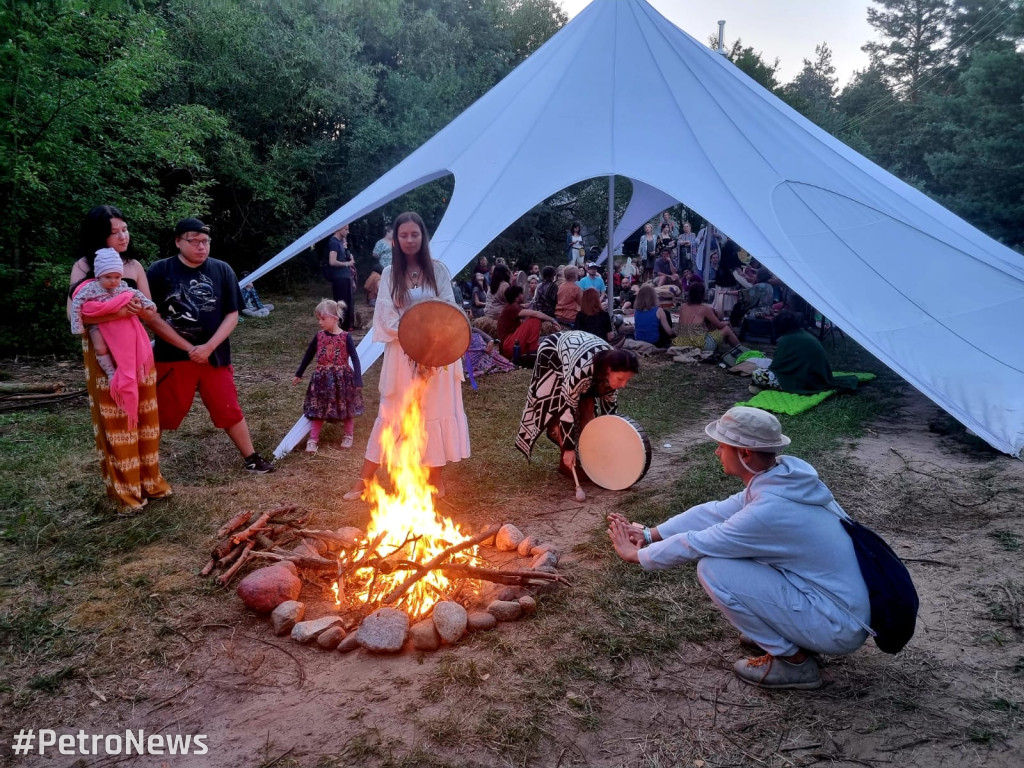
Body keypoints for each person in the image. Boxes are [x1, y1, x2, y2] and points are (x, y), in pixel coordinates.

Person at [607, 406, 871, 690]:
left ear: (744, 454)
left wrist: (638, 555)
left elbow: (700, 542)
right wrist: (650, 534)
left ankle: (794, 663)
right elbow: (714, 512)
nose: (717, 453)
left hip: (836, 624)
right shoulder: (783, 478)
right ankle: (787, 632)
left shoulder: (769, 509)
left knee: (714, 568)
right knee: (739, 562)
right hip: (838, 606)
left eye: (722, 446)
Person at [344, 211, 470, 500]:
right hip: (403, 354)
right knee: (392, 413)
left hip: (437, 354)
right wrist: (414, 339)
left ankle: (434, 478)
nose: (410, 240)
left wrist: (431, 347)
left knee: (434, 411)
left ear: (423, 237)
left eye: (415, 234)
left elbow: (448, 310)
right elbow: (385, 315)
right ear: (396, 240)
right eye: (404, 235)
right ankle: (365, 478)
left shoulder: (438, 269)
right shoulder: (389, 274)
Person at [146, 217, 275, 473]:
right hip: (172, 357)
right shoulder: (160, 271)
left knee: (227, 406)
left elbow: (232, 314)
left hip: (214, 356)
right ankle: (146, 464)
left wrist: (209, 347)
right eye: (194, 241)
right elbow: (151, 316)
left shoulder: (221, 269)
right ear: (178, 242)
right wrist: (188, 347)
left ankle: (251, 457)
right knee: (162, 412)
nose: (201, 247)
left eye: (205, 241)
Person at [68, 206, 171, 511]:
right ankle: (126, 491)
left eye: (125, 229)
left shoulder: (135, 266)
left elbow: (151, 312)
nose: (123, 235)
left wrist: (140, 310)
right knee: (117, 419)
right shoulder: (83, 266)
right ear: (99, 235)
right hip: (104, 354)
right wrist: (115, 311)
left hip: (137, 349)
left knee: (146, 415)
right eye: (115, 231)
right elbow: (73, 314)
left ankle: (150, 481)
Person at [516, 331, 639, 477]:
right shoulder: (581, 370)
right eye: (620, 379)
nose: (623, 385)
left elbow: (610, 411)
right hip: (553, 353)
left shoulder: (611, 367)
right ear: (608, 370)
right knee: (559, 406)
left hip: (583, 355)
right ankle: (566, 462)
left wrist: (609, 440)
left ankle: (586, 456)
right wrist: (569, 449)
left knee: (587, 407)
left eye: (627, 380)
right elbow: (566, 409)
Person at [292, 299, 364, 453]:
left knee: (346, 406)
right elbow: (308, 356)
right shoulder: (318, 337)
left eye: (323, 319)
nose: (320, 322)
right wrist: (299, 373)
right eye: (318, 319)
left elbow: (355, 358)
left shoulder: (345, 337)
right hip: (322, 379)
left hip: (342, 378)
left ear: (335, 318)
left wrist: (358, 379)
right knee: (319, 407)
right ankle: (313, 438)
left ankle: (348, 434)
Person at [750, 311, 859, 395]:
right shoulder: (804, 335)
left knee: (758, 374)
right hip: (817, 376)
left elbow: (777, 366)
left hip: (804, 380)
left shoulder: (786, 340)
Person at [496, 285, 557, 366]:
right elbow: (535, 313)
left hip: (510, 343)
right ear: (517, 298)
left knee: (544, 342)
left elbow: (524, 306)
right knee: (535, 319)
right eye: (521, 294)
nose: (523, 295)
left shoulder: (511, 305)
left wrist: (529, 304)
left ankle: (531, 349)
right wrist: (553, 320)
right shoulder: (512, 307)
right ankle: (533, 350)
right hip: (508, 344)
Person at [673, 282, 740, 351]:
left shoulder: (683, 307)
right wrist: (726, 322)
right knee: (726, 329)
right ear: (702, 295)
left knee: (707, 328)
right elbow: (719, 325)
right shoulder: (704, 309)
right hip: (700, 345)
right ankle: (742, 351)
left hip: (683, 342)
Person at [325, 224, 356, 331]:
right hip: (339, 277)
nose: (347, 232)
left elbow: (347, 257)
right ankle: (341, 326)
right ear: (338, 229)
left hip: (345, 276)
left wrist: (346, 249)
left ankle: (348, 325)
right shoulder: (333, 242)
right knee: (341, 303)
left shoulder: (340, 243)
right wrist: (347, 263)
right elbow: (332, 261)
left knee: (348, 302)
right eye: (346, 229)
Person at [632, 284, 674, 348]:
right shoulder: (659, 311)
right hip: (655, 342)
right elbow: (669, 332)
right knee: (666, 313)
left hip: (639, 341)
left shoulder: (636, 311)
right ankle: (667, 342)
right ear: (653, 297)